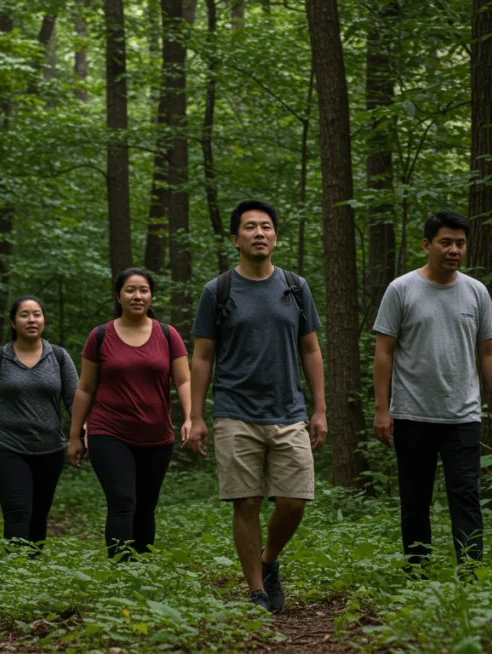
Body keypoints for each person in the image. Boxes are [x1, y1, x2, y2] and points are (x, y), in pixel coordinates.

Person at [186, 200, 327, 612]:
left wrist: (319, 409)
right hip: (235, 411)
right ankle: (256, 591)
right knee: (246, 502)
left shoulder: (296, 287)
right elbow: (203, 356)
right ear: (235, 239)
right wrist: (195, 416)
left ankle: (269, 562)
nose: (259, 233)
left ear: (276, 237)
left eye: (266, 227)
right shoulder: (218, 291)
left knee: (294, 501)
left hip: (289, 410)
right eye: (250, 227)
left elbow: (311, 350)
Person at [372, 211, 492, 566]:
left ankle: (470, 571)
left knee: (465, 495)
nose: (453, 250)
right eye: (445, 242)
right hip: (411, 413)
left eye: (460, 244)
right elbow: (384, 353)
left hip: (461, 414)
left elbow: (490, 352)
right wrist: (381, 410)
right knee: (414, 498)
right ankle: (417, 573)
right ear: (426, 245)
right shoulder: (401, 289)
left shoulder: (476, 291)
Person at [67, 268, 190, 560]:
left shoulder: (167, 334)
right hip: (108, 432)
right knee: (122, 501)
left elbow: (184, 380)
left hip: (157, 435)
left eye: (143, 290)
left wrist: (190, 418)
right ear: (119, 296)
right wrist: (75, 435)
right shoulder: (99, 336)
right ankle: (121, 571)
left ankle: (142, 569)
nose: (137, 296)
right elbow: (85, 388)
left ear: (151, 296)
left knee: (146, 505)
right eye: (130, 290)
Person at [0, 296, 78, 544]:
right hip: (5, 446)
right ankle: (15, 570)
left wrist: (81, 435)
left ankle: (32, 574)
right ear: (13, 323)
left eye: (37, 314)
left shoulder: (58, 357)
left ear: (44, 320)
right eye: (24, 315)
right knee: (17, 512)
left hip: (50, 449)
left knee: (39, 515)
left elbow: (74, 400)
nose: (31, 320)